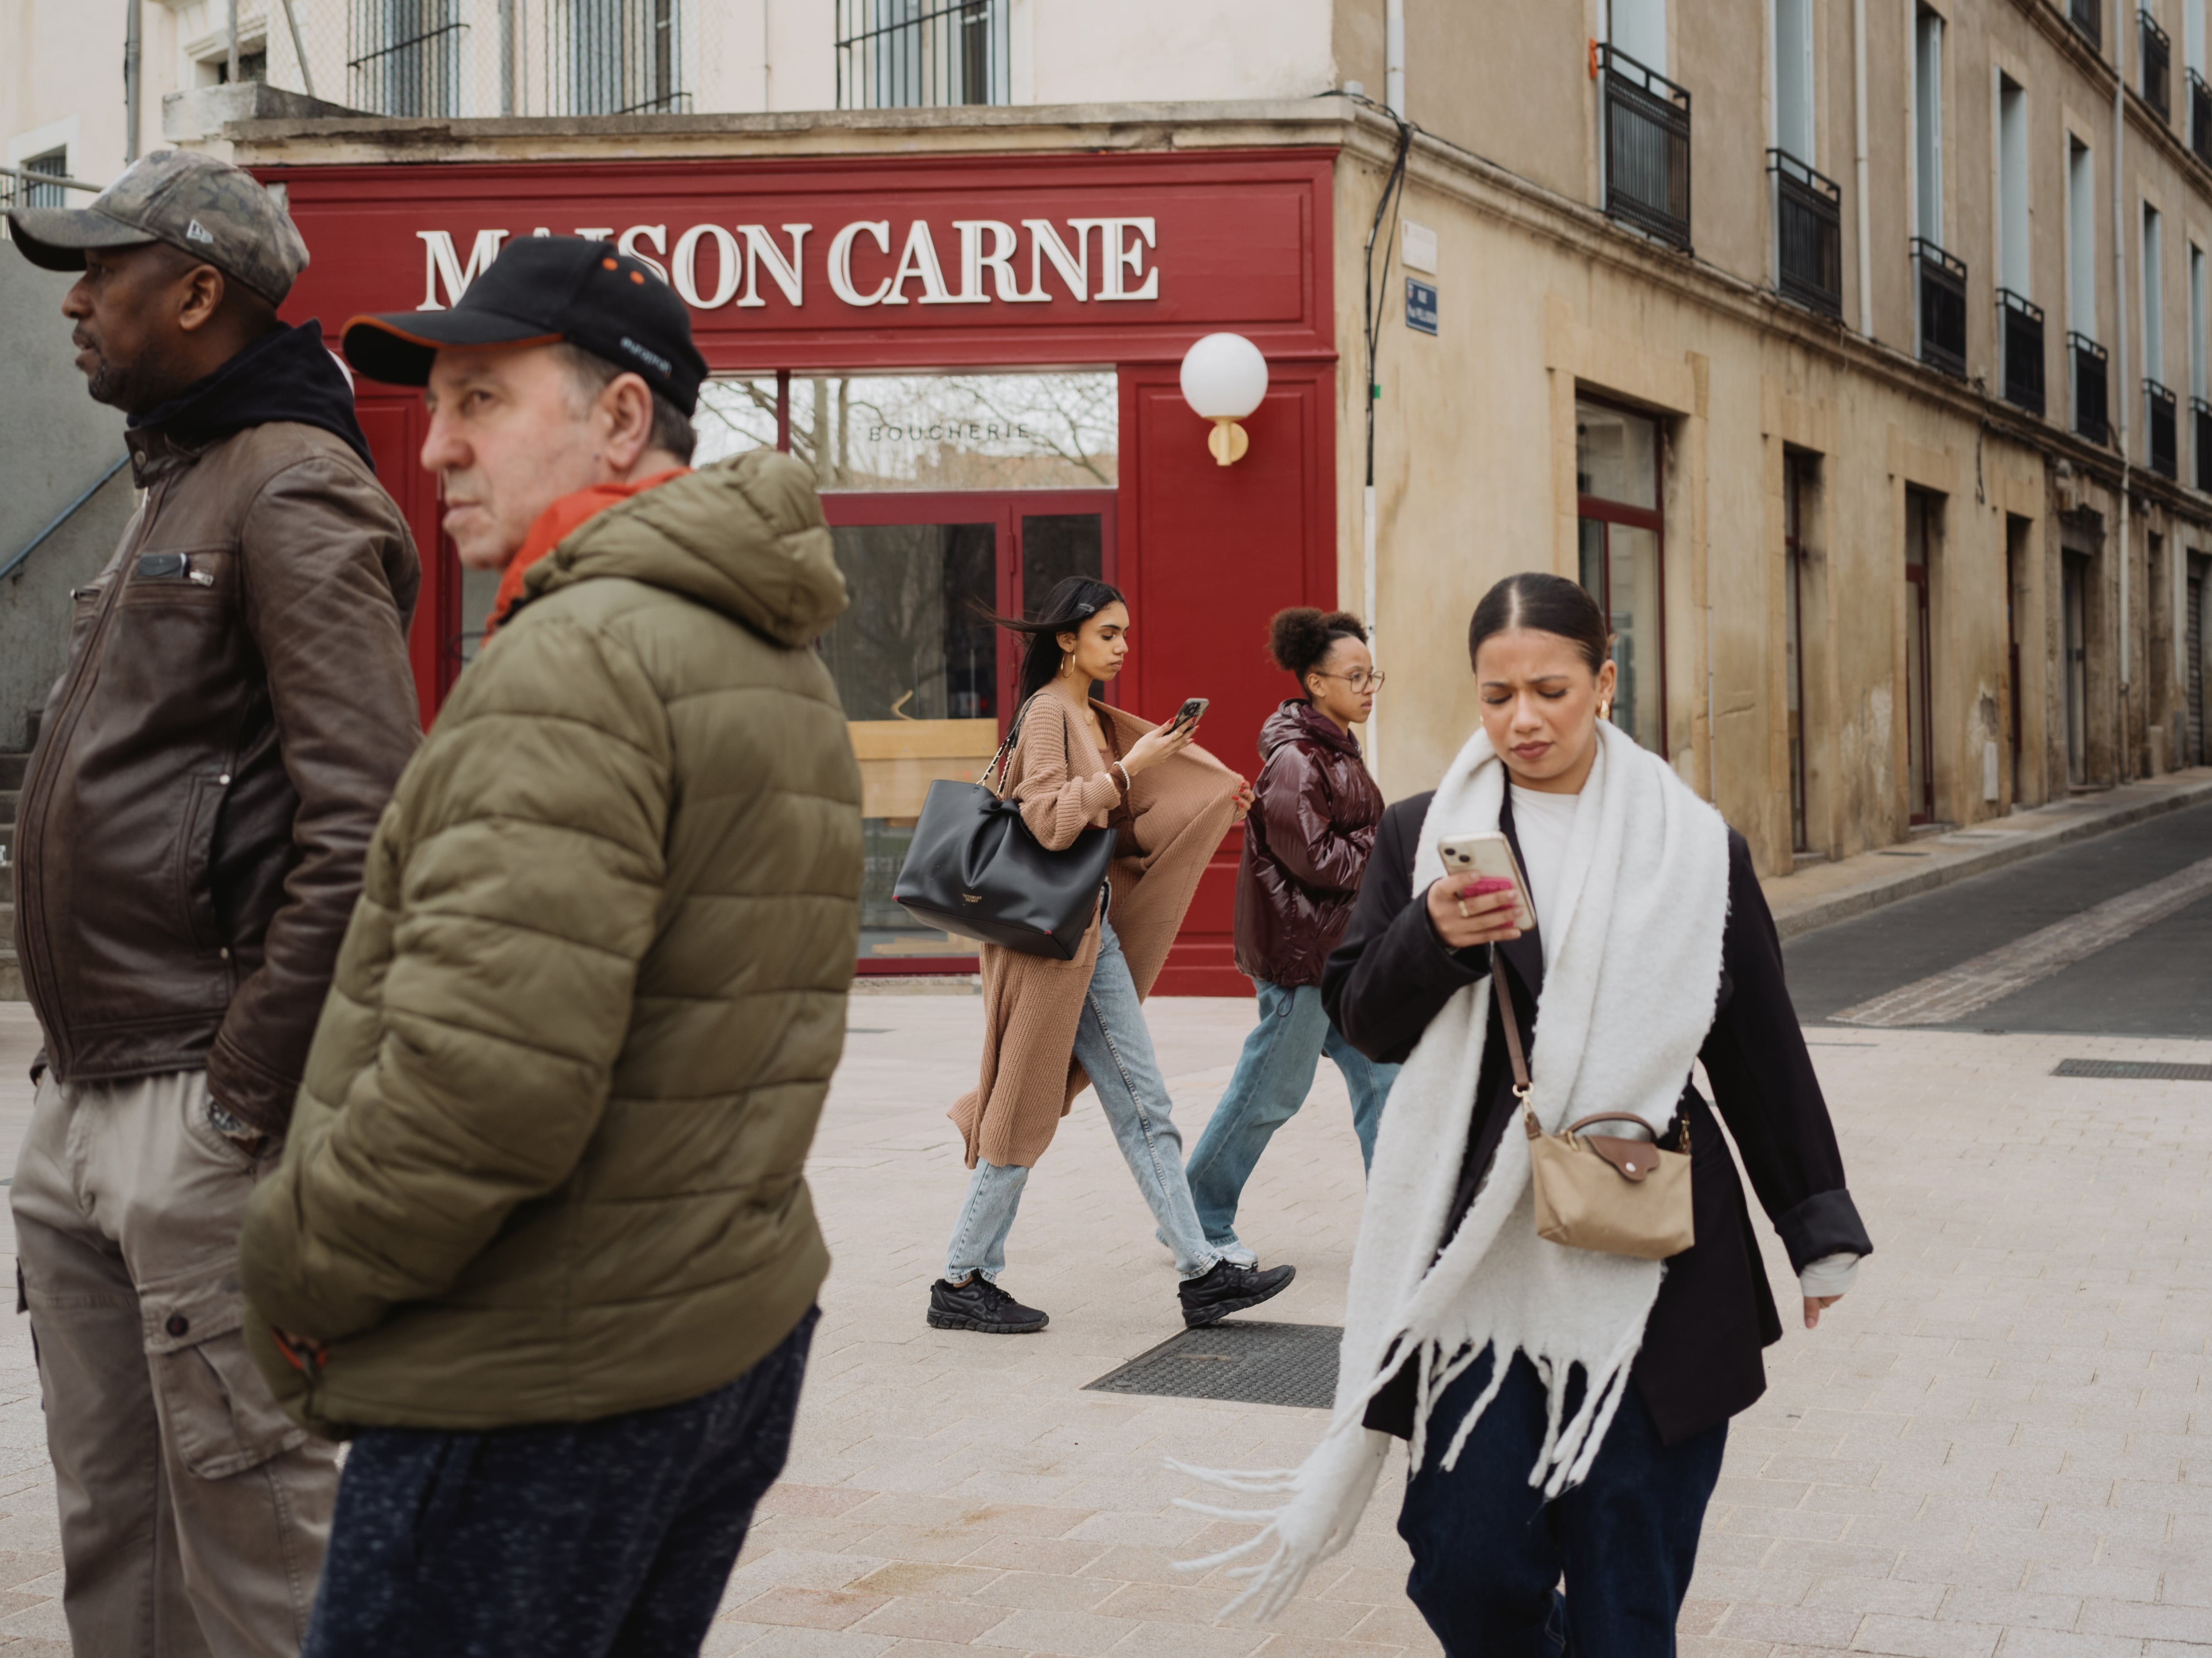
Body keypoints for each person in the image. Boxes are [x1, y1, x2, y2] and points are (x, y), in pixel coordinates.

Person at [233, 236, 863, 1658]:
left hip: (531, 1384)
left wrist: (288, 1274)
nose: (437, 446)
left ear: (621, 418)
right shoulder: (766, 644)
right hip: (714, 1337)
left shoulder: (579, 655)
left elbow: (480, 1091)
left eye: (480, 400)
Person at [1183, 572, 1872, 1657]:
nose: (1523, 718)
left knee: (1628, 1582)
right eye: (1496, 694)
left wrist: (1816, 1224)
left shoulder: (1694, 848)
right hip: (1477, 1257)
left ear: (1604, 681)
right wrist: (1435, 935)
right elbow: (1362, 1017)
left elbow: (1757, 1048)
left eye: (1550, 689)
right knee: (1464, 1563)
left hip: (1653, 1249)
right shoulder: (1421, 835)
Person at [4, 150, 422, 1656]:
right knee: (119, 1537)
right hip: (90, 1097)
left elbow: (368, 816)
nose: (75, 297)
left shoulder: (292, 481)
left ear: (197, 292)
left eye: (102, 267)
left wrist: (239, 1101)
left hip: (195, 1112)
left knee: (261, 1557)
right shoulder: (180, 476)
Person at [929, 577, 1300, 1335]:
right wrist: (1132, 770)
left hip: (1086, 936)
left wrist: (1194, 797)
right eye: (1108, 633)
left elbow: (1111, 829)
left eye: (1125, 632)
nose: (1123, 646)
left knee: (1137, 1105)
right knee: (1031, 1106)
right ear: (1066, 638)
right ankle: (962, 1278)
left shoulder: (1085, 713)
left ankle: (1200, 1271)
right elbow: (1049, 823)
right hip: (1053, 945)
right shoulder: (1046, 713)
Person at [1186, 608, 1398, 1264]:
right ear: (1315, 681)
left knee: (1386, 1080)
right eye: (1355, 676)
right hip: (1301, 960)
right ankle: (1195, 1221)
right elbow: (1317, 859)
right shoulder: (1297, 760)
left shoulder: (1336, 751)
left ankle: (1403, 1223)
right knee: (1269, 1094)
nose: (1368, 687)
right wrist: (1389, 850)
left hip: (1340, 957)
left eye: (1373, 675)